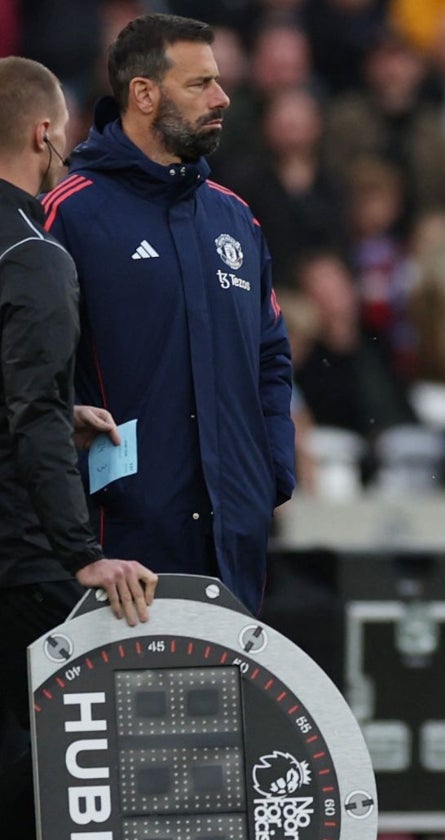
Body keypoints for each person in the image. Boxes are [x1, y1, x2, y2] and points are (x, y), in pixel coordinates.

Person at [41, 14, 296, 613]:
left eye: (220, 81)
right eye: (200, 83)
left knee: (225, 709)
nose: (222, 97)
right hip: (117, 547)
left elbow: (272, 355)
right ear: (143, 94)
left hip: (232, 537)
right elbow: (29, 375)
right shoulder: (67, 215)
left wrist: (268, 477)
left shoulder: (236, 218)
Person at [0, 55, 158, 840]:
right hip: (17, 560)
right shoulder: (35, 255)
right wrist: (77, 553)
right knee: (41, 764)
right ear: (42, 134)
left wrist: (62, 408)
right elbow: (26, 417)